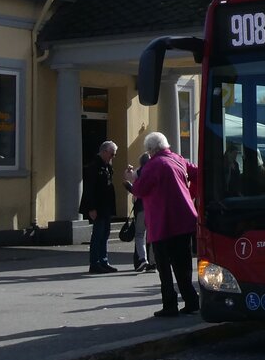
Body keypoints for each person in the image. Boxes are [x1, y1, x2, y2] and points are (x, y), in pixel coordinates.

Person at [125, 131, 199, 317]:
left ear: (151, 150)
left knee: (164, 267)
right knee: (183, 265)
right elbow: (198, 173)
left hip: (163, 223)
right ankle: (191, 301)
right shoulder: (178, 159)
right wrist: (190, 194)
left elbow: (139, 190)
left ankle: (170, 305)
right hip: (185, 219)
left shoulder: (153, 165)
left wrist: (132, 179)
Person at [80, 140, 119, 273]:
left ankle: (103, 261)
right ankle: (95, 262)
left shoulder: (106, 166)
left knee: (105, 234)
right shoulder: (93, 166)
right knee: (98, 235)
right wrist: (91, 208)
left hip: (106, 206)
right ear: (104, 152)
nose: (113, 157)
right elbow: (89, 189)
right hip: (98, 207)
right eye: (112, 154)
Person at [124, 152, 154, 271]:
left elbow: (135, 188)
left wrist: (128, 184)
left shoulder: (140, 172)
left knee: (140, 235)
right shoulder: (155, 171)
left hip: (141, 208)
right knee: (152, 235)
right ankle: (153, 263)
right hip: (153, 208)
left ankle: (142, 259)